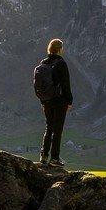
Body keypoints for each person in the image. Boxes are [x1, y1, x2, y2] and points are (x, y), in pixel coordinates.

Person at [38, 38, 73, 167]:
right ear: (59, 49)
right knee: (57, 130)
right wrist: (69, 101)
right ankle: (55, 158)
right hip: (59, 102)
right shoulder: (61, 64)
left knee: (49, 127)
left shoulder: (43, 64)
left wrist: (43, 100)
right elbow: (65, 84)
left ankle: (44, 155)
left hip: (46, 101)